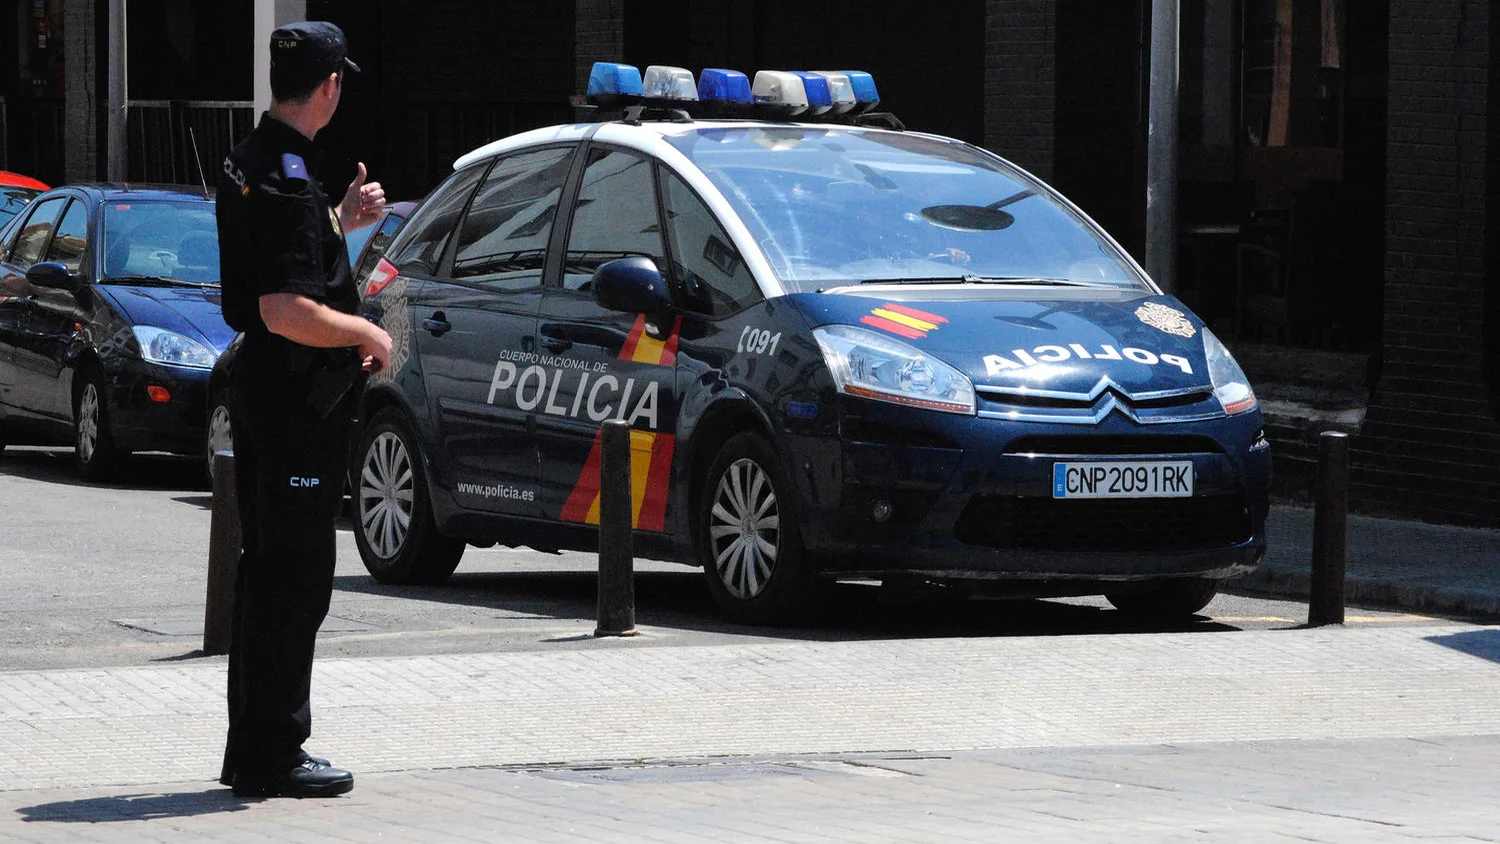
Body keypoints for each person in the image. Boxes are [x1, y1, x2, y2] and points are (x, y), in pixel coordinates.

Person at [214, 20, 391, 799]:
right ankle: (273, 751)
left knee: (267, 574)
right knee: (294, 577)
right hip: (292, 400)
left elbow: (288, 263)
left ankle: (252, 745)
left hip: (267, 391)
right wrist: (367, 333)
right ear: (329, 87)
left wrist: (344, 223)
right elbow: (286, 308)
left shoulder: (260, 161)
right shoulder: (288, 175)